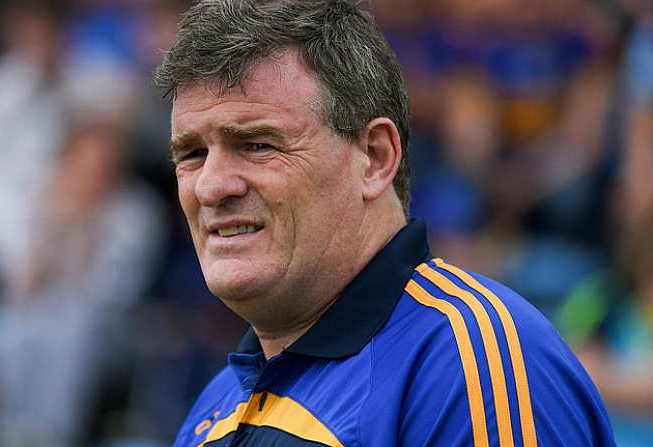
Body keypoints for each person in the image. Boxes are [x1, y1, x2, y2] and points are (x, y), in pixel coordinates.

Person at [154, 1, 616, 445]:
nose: (210, 186)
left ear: (375, 158)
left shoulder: (470, 362)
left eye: (257, 144)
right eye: (192, 154)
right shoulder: (210, 412)